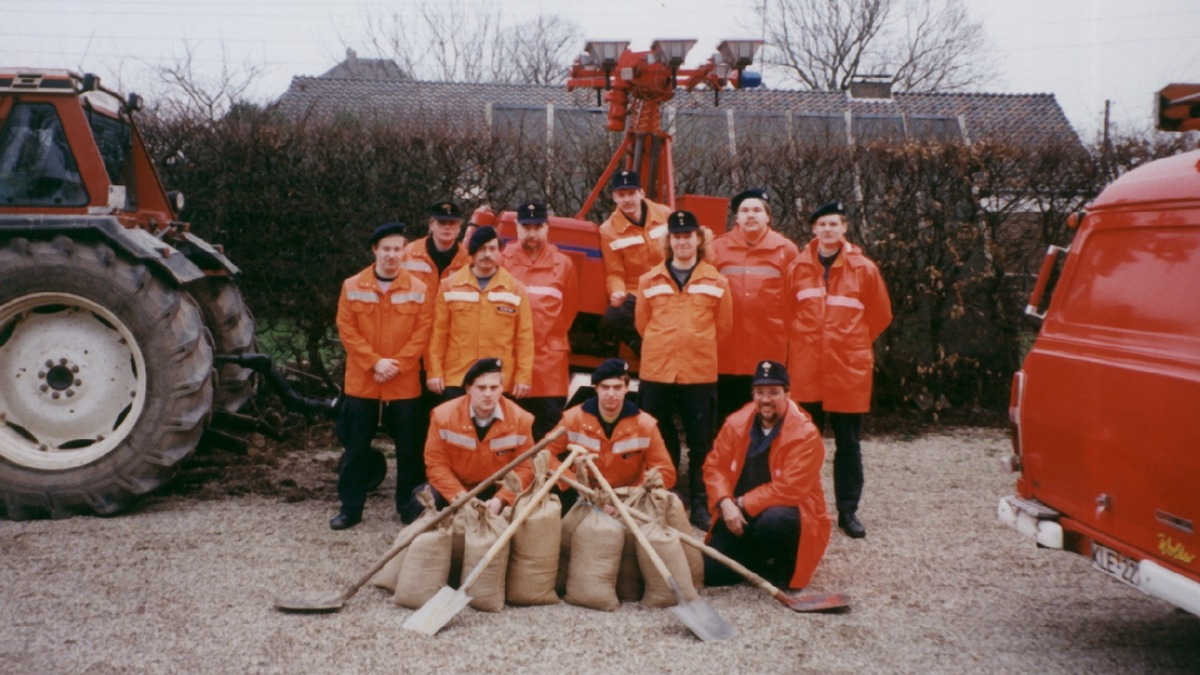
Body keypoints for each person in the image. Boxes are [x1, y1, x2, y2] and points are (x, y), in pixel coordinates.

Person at [787, 199, 893, 539]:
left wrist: (850, 342)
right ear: (813, 230)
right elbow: (788, 312)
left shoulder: (865, 269)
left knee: (848, 442)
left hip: (848, 367)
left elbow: (880, 316)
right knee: (805, 441)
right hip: (807, 367)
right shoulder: (797, 267)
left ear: (844, 228)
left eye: (835, 224)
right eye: (822, 224)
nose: (828, 230)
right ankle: (806, 507)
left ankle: (848, 512)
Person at [330, 222, 434, 530]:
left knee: (409, 450)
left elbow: (422, 334)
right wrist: (375, 363)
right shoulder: (352, 286)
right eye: (386, 249)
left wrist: (397, 364)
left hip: (403, 384)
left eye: (398, 249)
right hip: (363, 382)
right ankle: (350, 509)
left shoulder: (419, 289)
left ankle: (408, 508)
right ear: (375, 250)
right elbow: (347, 331)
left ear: (405, 252)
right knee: (356, 448)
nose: (392, 255)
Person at [635, 210, 732, 529]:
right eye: (676, 237)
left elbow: (724, 328)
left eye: (688, 236)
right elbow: (641, 325)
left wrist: (693, 345)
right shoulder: (648, 280)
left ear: (698, 240)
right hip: (656, 372)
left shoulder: (718, 281)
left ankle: (702, 505)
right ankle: (665, 499)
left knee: (701, 442)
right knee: (659, 440)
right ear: (669, 241)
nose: (682, 242)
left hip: (698, 373)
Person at [701, 360, 831, 590]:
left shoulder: (806, 434)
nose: (765, 399)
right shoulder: (736, 423)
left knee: (774, 522)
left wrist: (740, 503)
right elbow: (714, 467)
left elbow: (790, 488)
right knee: (711, 573)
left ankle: (782, 564)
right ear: (752, 394)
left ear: (787, 394)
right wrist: (724, 502)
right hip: (740, 513)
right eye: (760, 392)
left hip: (787, 511)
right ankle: (755, 559)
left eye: (773, 392)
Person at [712, 188, 800, 423]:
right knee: (726, 416)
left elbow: (796, 299)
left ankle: (765, 460)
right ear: (736, 218)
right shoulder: (716, 248)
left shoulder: (786, 250)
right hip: (726, 349)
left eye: (757, 210)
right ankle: (730, 460)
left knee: (766, 415)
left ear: (767, 216)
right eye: (745, 210)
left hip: (768, 346)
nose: (751, 215)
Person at [546, 358, 675, 509]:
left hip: (629, 498)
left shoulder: (646, 425)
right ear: (596, 388)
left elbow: (665, 472)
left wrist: (635, 495)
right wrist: (572, 482)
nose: (611, 394)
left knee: (673, 502)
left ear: (627, 388)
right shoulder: (574, 418)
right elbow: (545, 453)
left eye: (617, 387)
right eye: (605, 387)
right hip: (585, 493)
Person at [499, 200, 580, 439]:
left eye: (537, 227)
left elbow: (569, 310)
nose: (532, 233)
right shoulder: (502, 263)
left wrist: (547, 338)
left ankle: (544, 478)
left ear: (547, 228)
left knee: (548, 436)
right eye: (526, 227)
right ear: (517, 228)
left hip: (549, 366)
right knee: (509, 434)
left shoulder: (563, 265)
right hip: (511, 362)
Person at [427, 225, 534, 401]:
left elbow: (524, 339)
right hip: (457, 377)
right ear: (472, 252)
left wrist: (523, 377)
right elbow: (438, 334)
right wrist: (434, 372)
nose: (487, 254)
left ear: (499, 251)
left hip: (497, 381)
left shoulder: (515, 289)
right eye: (481, 249)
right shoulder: (449, 286)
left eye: (492, 249)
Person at [420, 358, 536, 514]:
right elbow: (436, 464)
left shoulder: (521, 419)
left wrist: (501, 500)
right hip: (458, 487)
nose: (488, 394)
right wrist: (459, 498)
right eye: (481, 388)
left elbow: (525, 468)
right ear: (468, 388)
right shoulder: (443, 416)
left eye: (494, 387)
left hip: (497, 489)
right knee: (419, 504)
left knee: (531, 509)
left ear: (502, 388)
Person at [598, 170, 671, 356]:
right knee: (614, 316)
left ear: (641, 193)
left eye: (631, 193)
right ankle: (649, 355)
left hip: (668, 285)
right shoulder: (608, 230)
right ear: (614, 197)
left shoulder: (665, 215)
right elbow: (615, 272)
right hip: (636, 290)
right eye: (621, 195)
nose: (627, 199)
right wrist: (616, 292)